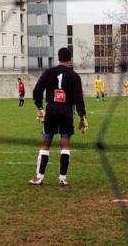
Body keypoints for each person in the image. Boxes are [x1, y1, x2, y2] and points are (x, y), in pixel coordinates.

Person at [29, 47, 87, 187]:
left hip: (52, 109)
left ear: (58, 58)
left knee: (46, 142)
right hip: (67, 110)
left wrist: (40, 107)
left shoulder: (49, 72)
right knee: (65, 142)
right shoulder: (74, 76)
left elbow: (37, 91)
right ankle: (62, 178)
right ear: (70, 59)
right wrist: (82, 116)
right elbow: (79, 99)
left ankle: (39, 177)